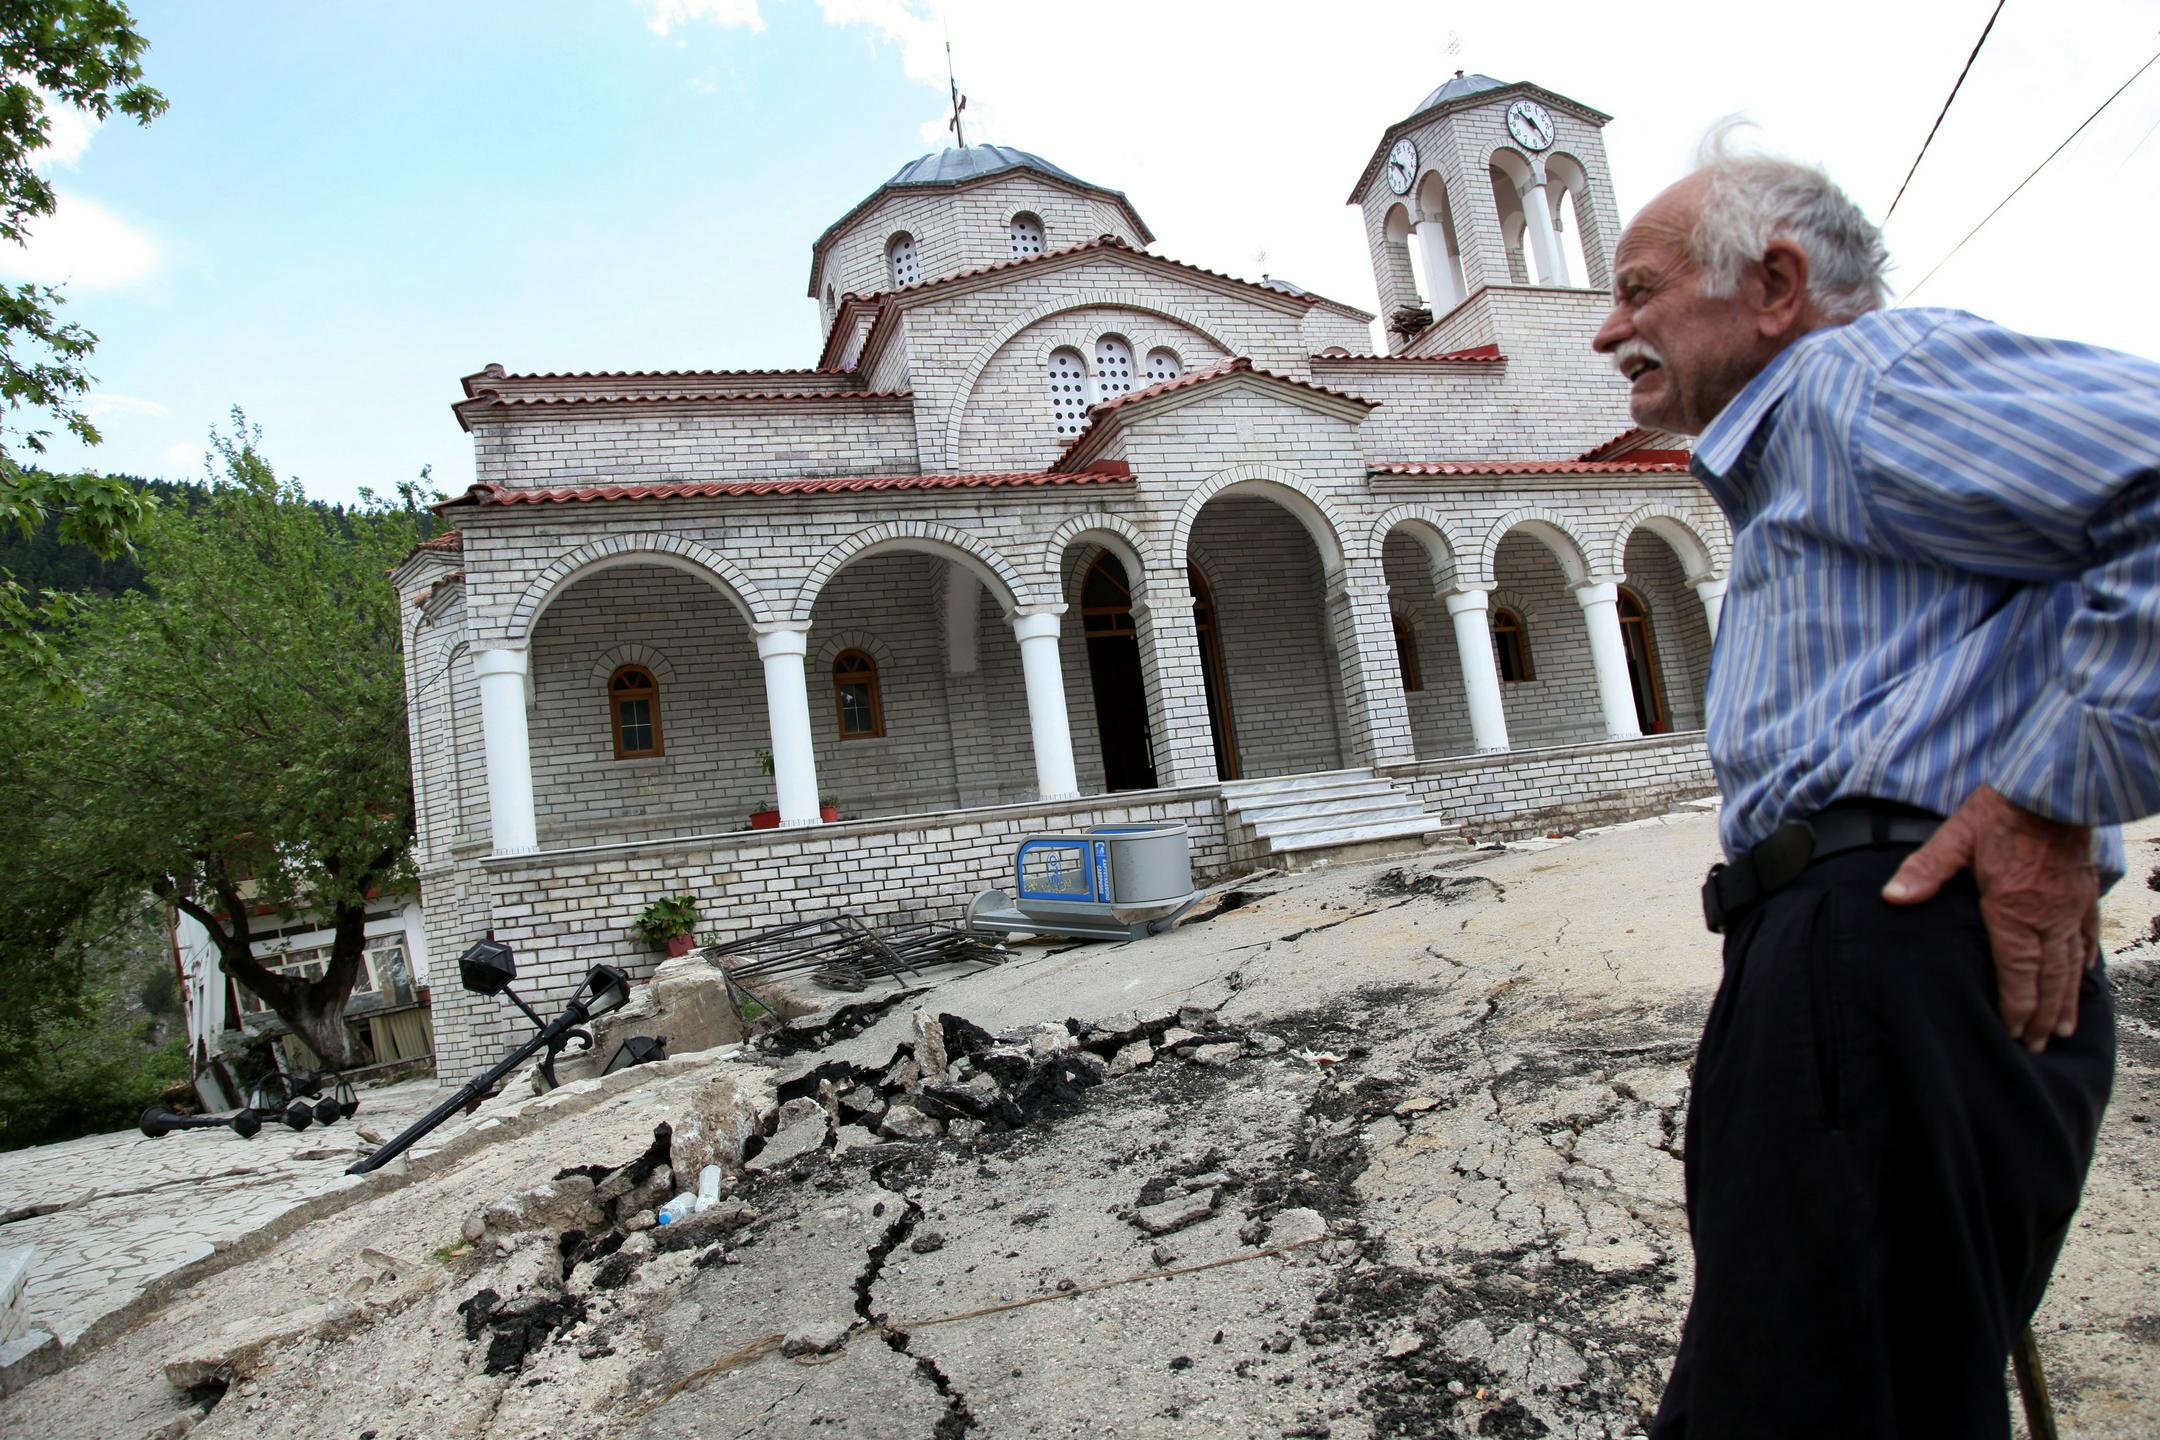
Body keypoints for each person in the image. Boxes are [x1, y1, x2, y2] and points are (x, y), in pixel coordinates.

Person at [1591, 130, 2157, 1437]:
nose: (1609, 328)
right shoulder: (1812, 450)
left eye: (1639, 289)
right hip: (1839, 968)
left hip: (1891, 957)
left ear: (1775, 285)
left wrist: (2048, 799)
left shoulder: (1859, 382)